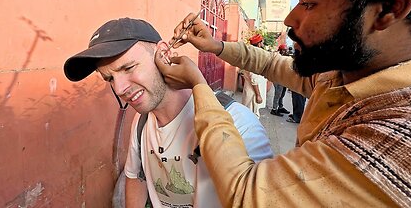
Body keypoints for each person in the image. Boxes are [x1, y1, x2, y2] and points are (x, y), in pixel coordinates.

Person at [155, 0, 411, 206]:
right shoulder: (346, 75)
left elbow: (244, 193)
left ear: (390, 7)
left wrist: (198, 86)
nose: (290, 19)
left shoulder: (407, 139)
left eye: (310, 4)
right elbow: (270, 65)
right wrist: (216, 46)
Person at [63, 18, 273, 207]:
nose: (119, 89)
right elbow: (136, 176)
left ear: (163, 53)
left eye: (128, 68)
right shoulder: (142, 121)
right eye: (109, 78)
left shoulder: (239, 124)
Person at [241, 34, 267, 117]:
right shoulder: (254, 58)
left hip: (251, 91)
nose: (263, 44)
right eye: (262, 42)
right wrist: (258, 95)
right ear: (259, 44)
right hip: (253, 94)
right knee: (252, 116)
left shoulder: (251, 55)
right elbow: (254, 79)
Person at [270, 44, 291, 116]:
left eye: (286, 50)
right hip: (277, 78)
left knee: (282, 94)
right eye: (284, 50)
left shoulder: (285, 56)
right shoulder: (277, 57)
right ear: (281, 50)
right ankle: (274, 109)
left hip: (283, 78)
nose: (286, 51)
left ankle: (280, 107)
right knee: (278, 94)